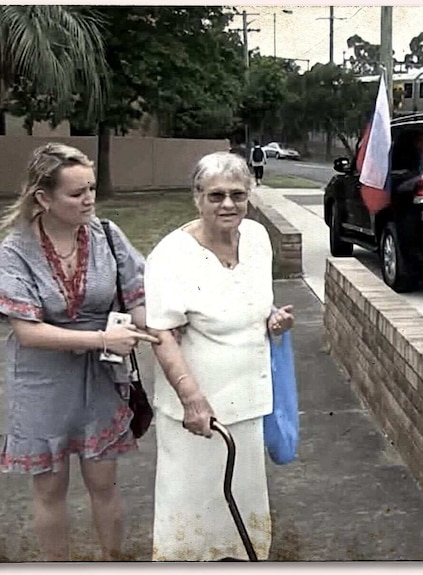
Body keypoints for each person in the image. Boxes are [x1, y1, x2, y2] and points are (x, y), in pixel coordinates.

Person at [0, 143, 159, 561]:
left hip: (101, 378)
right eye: (76, 193)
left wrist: (156, 327)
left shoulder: (107, 234)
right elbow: (28, 331)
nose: (89, 199)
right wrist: (101, 341)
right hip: (41, 379)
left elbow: (137, 295)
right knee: (50, 486)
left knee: (103, 481)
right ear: (43, 198)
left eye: (91, 188)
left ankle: (112, 561)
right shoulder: (14, 251)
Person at [145, 151, 294, 561]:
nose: (228, 204)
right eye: (216, 196)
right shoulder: (171, 256)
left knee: (241, 498)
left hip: (248, 400)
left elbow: (252, 304)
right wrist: (192, 399)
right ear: (197, 198)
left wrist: (272, 320)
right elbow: (161, 332)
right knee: (192, 500)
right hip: (198, 412)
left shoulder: (259, 240)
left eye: (237, 194)